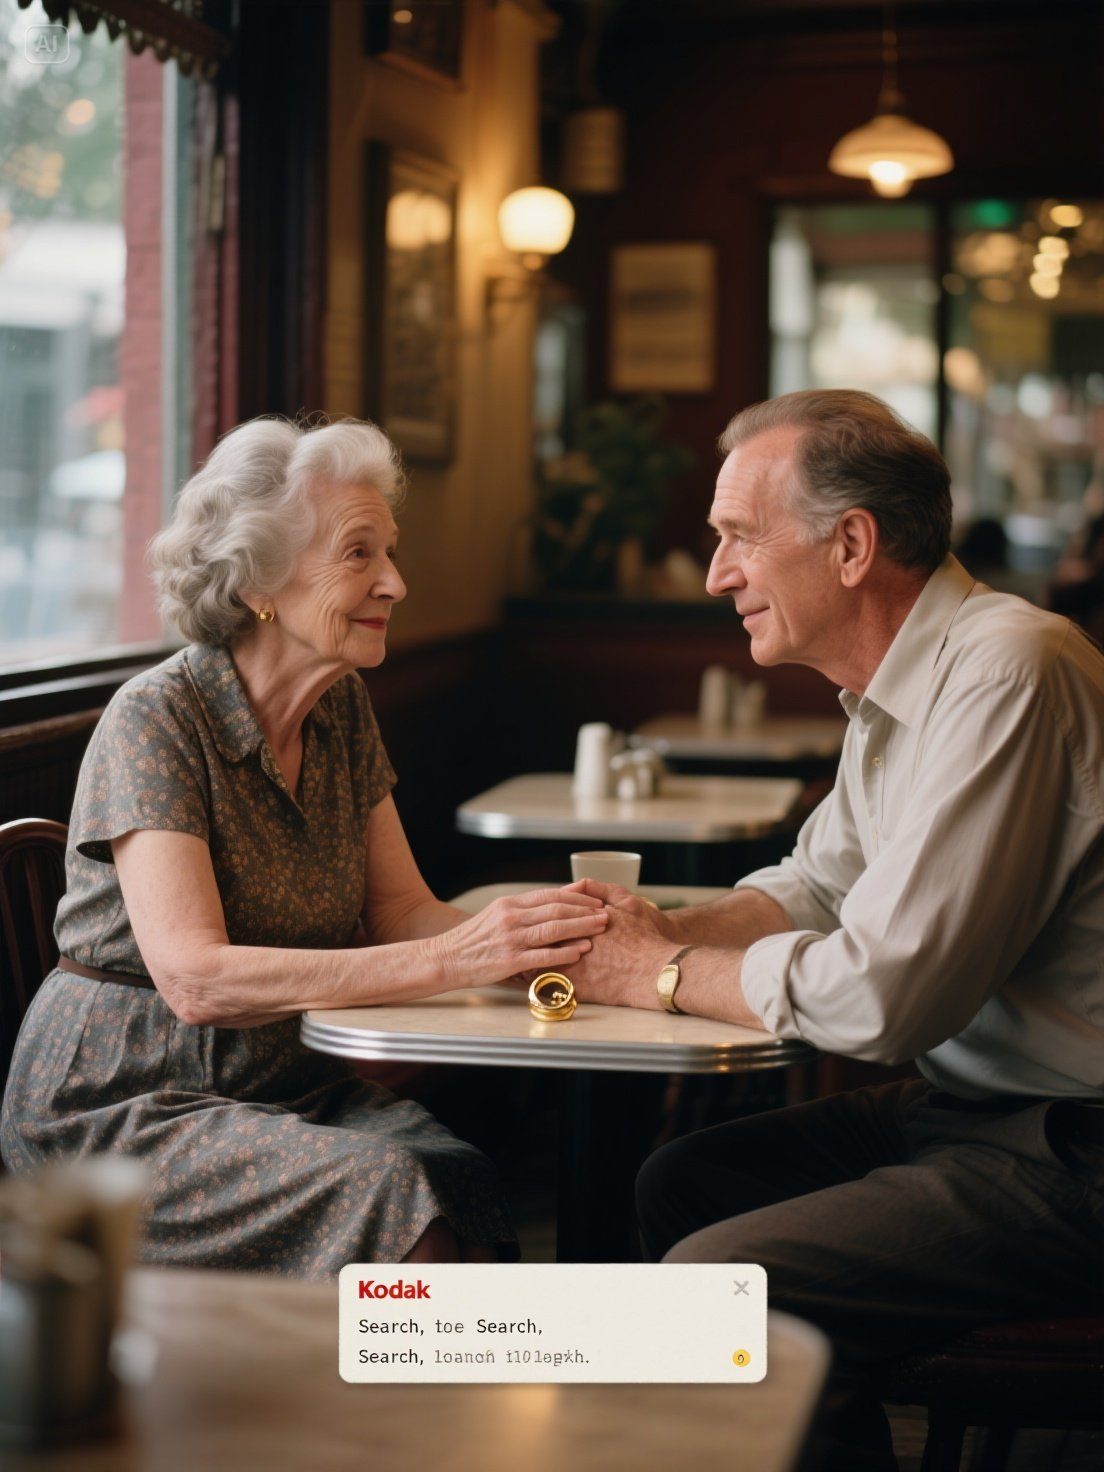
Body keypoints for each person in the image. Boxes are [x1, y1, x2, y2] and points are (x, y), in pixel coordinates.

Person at [565, 390, 1104, 1471]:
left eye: (737, 538)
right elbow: (814, 883)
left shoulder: (1009, 668)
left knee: (718, 1287)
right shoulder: (899, 688)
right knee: (678, 1180)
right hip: (978, 1110)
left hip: (1075, 1144)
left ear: (851, 544)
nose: (718, 573)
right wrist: (641, 929)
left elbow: (881, 999)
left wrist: (659, 970)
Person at [0, 416, 609, 1276]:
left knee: (458, 1179)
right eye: (359, 554)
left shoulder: (342, 709)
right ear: (260, 580)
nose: (395, 582)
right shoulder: (158, 717)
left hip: (281, 1080)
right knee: (398, 1196)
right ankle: (375, 1405)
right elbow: (196, 979)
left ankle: (433, 1402)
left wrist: (541, 941)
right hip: (122, 1104)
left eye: (389, 553)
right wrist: (455, 959)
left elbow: (401, 910)